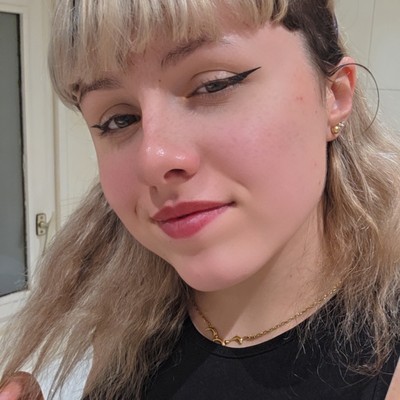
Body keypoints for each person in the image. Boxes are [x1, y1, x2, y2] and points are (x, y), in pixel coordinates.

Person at [1, 0, 400, 398]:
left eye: (214, 84)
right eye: (119, 120)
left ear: (334, 95)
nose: (154, 158)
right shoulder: (125, 321)